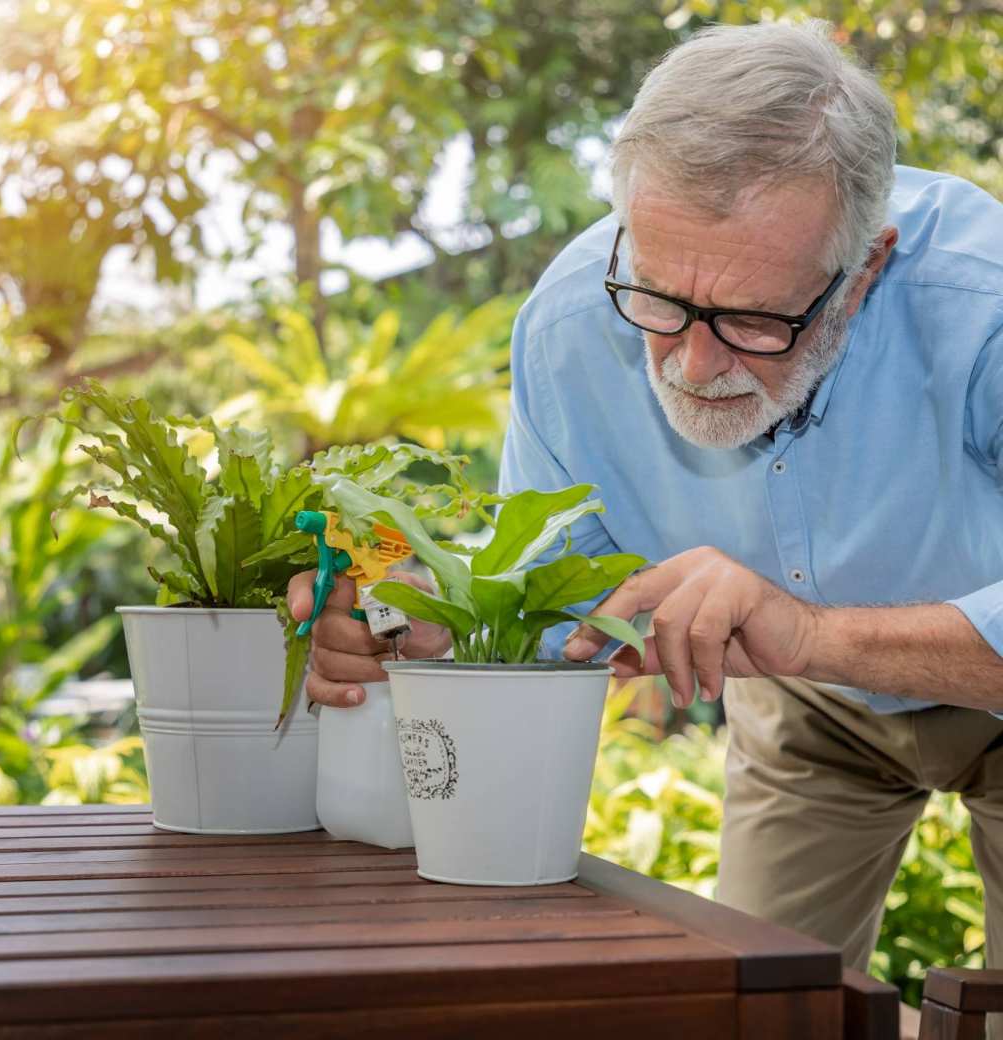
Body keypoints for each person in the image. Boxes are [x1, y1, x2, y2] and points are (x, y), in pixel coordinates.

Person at [289, 18, 1003, 1009]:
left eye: (755, 318)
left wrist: (807, 632)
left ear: (865, 265)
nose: (691, 363)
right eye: (660, 298)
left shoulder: (983, 305)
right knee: (753, 1004)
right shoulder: (572, 324)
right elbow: (555, 590)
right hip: (806, 703)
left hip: (955, 660)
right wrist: (423, 625)